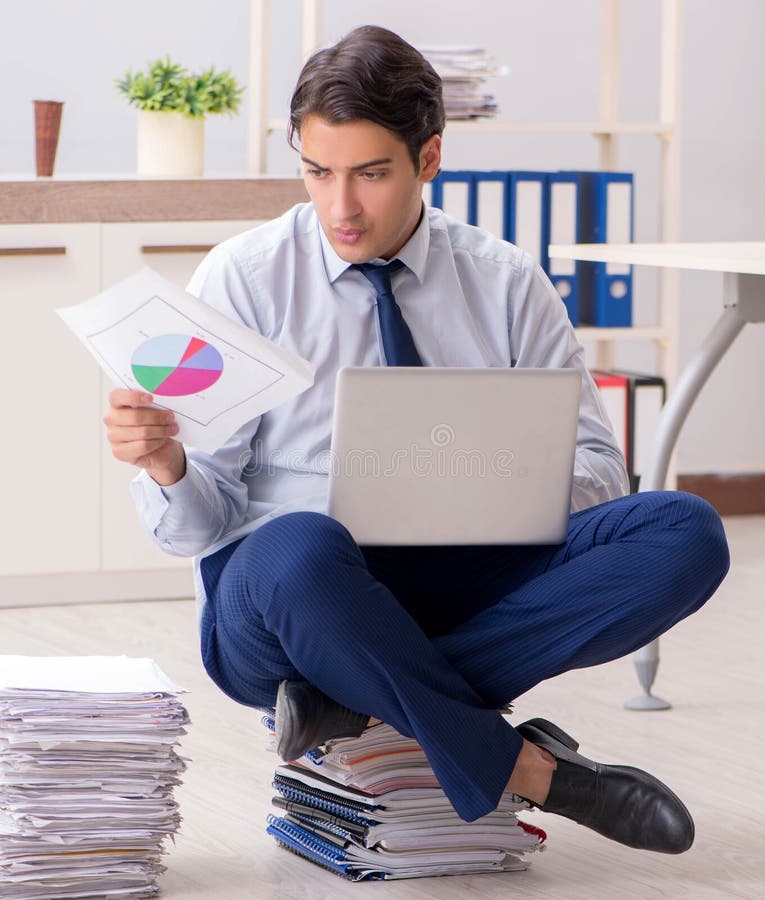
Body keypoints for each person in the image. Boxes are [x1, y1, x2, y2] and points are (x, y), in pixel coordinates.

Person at [104, 25, 729, 852]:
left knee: (685, 531)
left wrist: (504, 483)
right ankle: (535, 772)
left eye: (370, 174)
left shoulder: (505, 282)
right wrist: (168, 464)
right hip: (290, 606)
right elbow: (194, 528)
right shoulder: (243, 279)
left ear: (428, 158)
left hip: (460, 575)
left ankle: (345, 697)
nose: (340, 207)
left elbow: (600, 471)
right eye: (317, 172)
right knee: (298, 543)